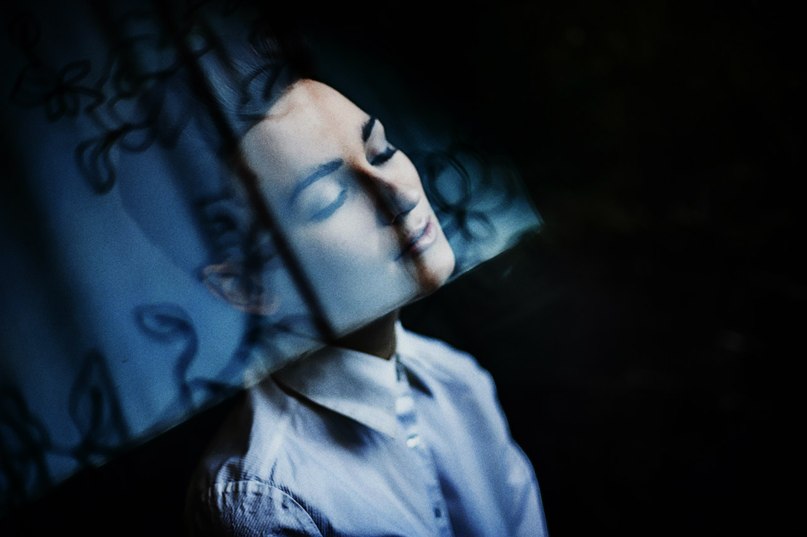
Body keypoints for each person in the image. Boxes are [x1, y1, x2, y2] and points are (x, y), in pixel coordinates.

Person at [184, 78, 549, 536]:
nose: (400, 193)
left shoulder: (457, 381)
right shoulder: (269, 503)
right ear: (248, 286)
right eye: (329, 197)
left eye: (381, 152)